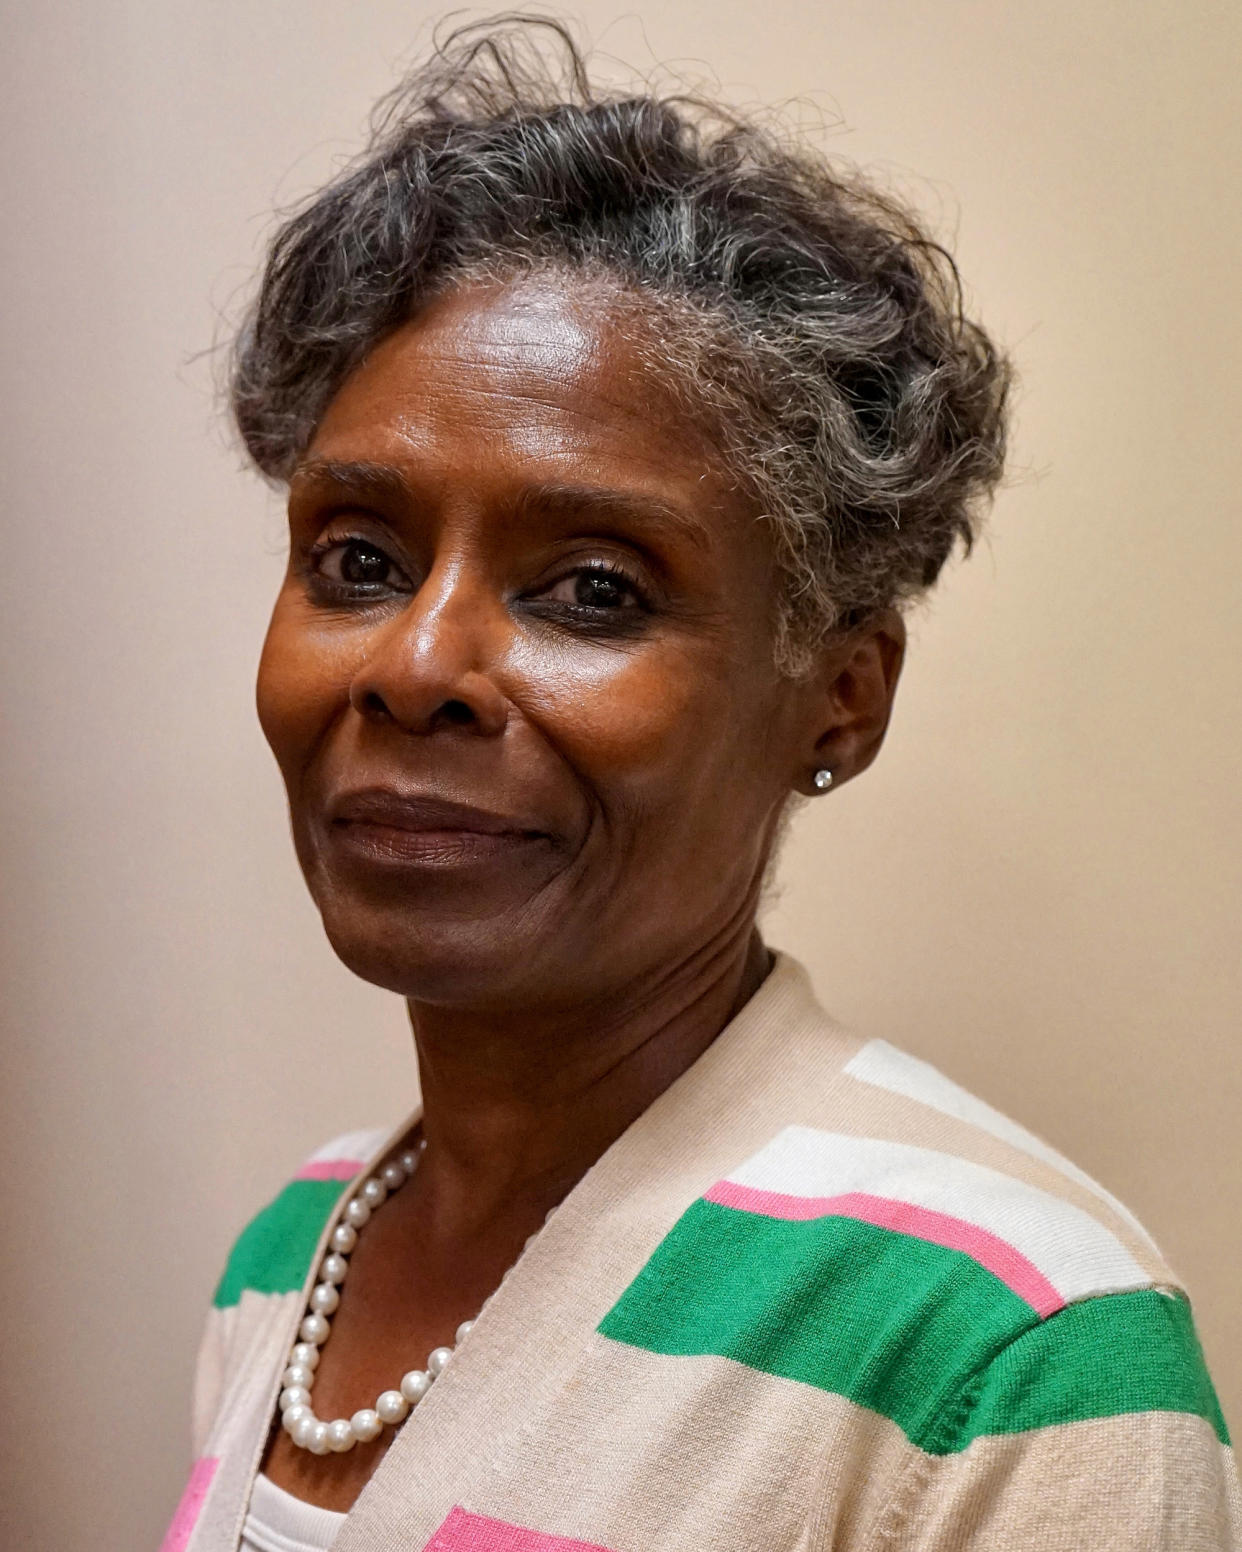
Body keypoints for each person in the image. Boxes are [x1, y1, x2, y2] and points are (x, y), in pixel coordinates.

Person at [164, 18, 1238, 1552]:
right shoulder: (292, 1251)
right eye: (356, 560)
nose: (413, 664)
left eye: (592, 590)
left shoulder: (1006, 1349)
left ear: (840, 695)